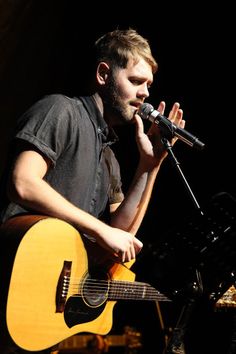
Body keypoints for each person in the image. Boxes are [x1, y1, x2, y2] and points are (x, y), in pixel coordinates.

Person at [0, 28, 184, 353]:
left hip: (44, 313)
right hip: (16, 279)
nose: (145, 94)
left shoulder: (109, 156)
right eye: (136, 81)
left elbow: (119, 240)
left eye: (149, 86)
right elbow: (23, 182)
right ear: (103, 74)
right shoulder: (60, 110)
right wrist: (100, 230)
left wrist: (150, 165)